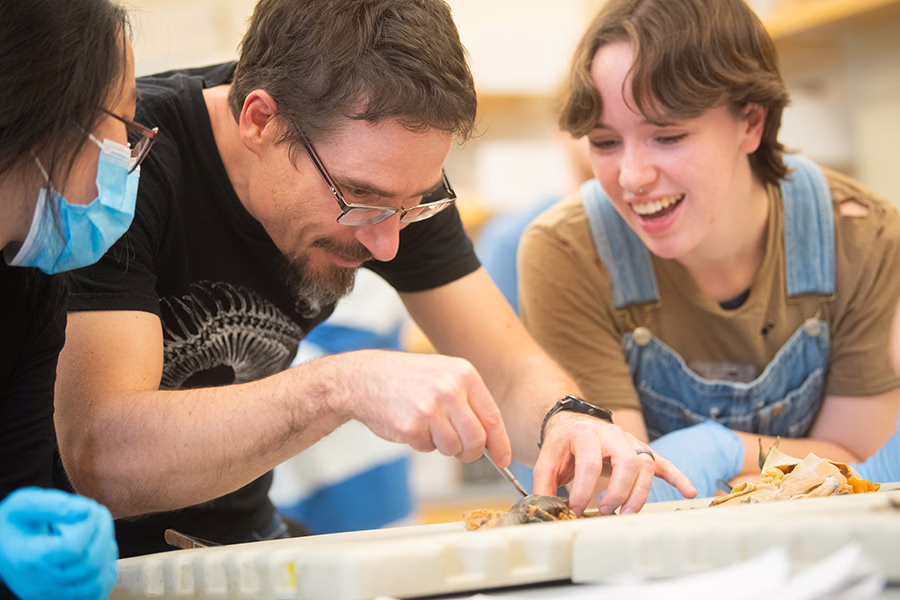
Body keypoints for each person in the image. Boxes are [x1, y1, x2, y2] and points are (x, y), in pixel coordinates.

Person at [53, 0, 696, 557]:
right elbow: (104, 456)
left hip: (243, 546)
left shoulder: (395, 185)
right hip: (85, 562)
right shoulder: (124, 168)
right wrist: (343, 386)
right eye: (361, 198)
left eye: (413, 204)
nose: (388, 243)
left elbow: (507, 368)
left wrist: (568, 418)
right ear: (260, 120)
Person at [519, 0, 900, 502]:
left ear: (751, 123)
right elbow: (615, 491)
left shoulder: (861, 240)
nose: (632, 177)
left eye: (668, 135)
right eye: (606, 142)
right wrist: (774, 471)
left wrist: (722, 451)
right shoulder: (567, 254)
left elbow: (857, 466)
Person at [0, 0, 151, 597]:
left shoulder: (31, 287)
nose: (132, 159)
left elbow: (19, 490)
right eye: (128, 127)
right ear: (53, 111)